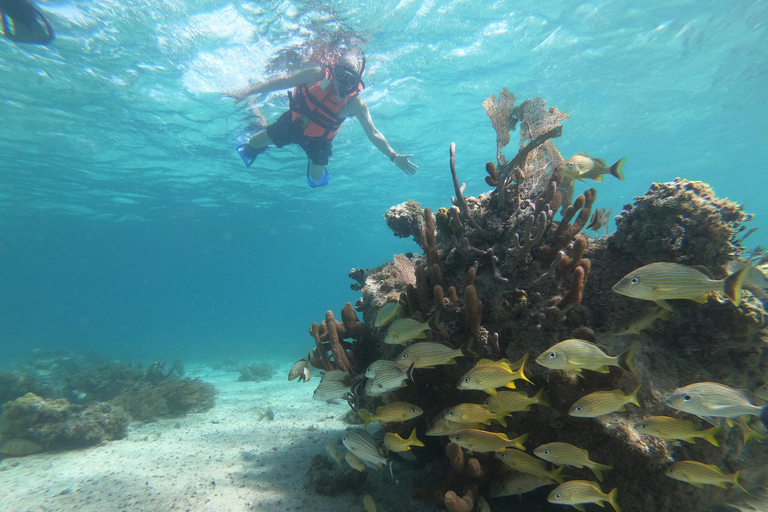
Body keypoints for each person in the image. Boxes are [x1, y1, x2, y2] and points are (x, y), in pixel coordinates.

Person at [223, 51, 417, 188]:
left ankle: (311, 164)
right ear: (333, 71)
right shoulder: (315, 75)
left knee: (316, 180)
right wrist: (249, 90)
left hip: (320, 141)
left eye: (351, 81)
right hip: (293, 124)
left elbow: (373, 133)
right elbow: (282, 82)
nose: (343, 84)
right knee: (252, 144)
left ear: (357, 83)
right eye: (341, 76)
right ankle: (257, 119)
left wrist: (393, 156)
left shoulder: (356, 104)